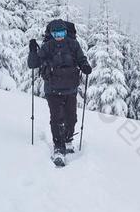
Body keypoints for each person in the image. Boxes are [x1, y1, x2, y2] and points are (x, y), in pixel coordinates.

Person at [27, 19, 92, 161]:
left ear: (66, 32)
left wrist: (85, 65)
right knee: (56, 119)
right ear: (51, 34)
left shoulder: (73, 44)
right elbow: (33, 64)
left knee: (72, 118)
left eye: (61, 33)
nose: (59, 36)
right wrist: (33, 51)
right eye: (56, 34)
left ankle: (68, 140)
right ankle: (58, 147)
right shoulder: (47, 46)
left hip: (71, 89)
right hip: (52, 90)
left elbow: (81, 58)